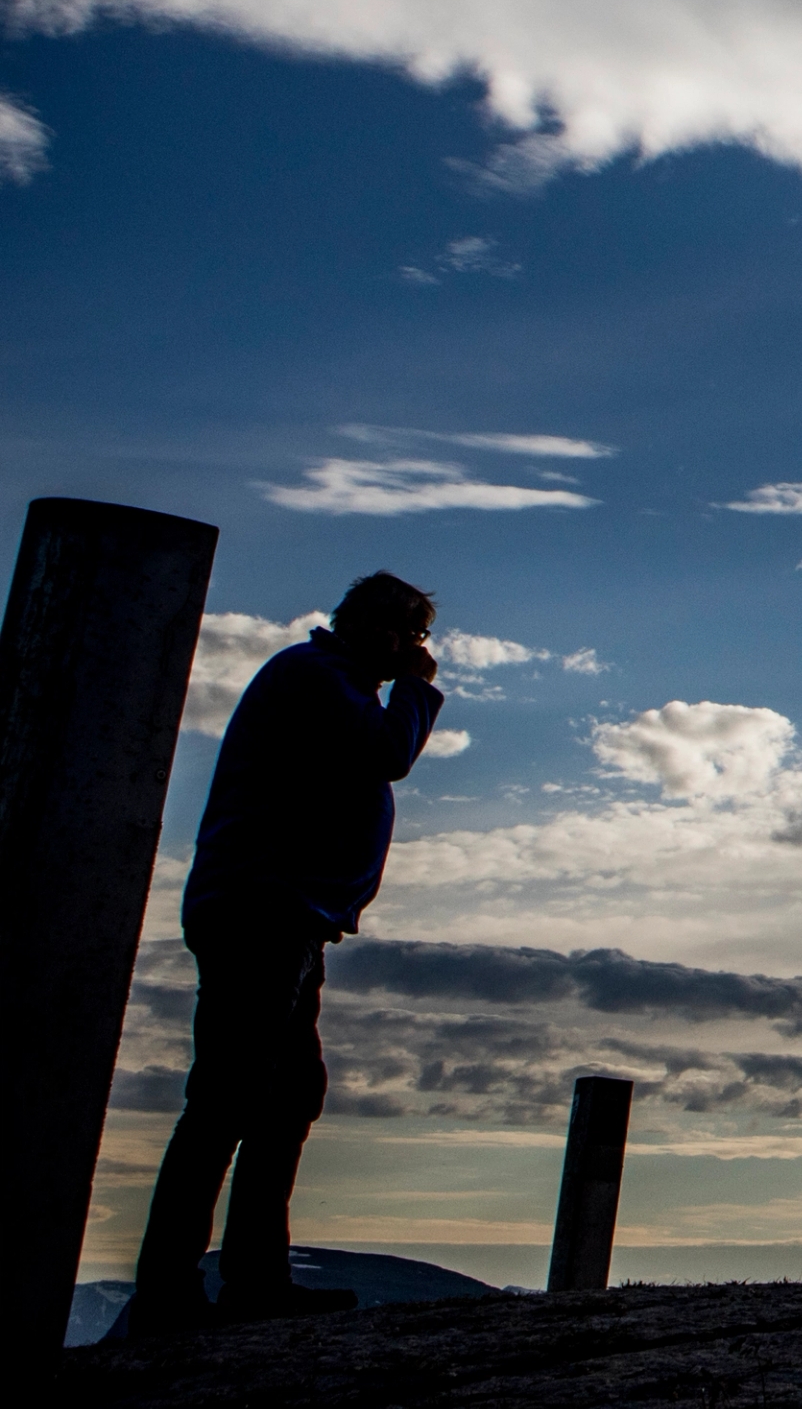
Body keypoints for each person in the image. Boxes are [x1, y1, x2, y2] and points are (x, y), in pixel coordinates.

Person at [124, 572, 447, 1335]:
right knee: (229, 1098)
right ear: (378, 628)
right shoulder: (313, 677)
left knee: (285, 1094)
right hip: (262, 909)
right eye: (412, 635)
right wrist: (418, 692)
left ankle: (253, 1279)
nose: (418, 651)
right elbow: (386, 755)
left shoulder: (331, 683)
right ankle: (170, 1290)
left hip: (291, 915)